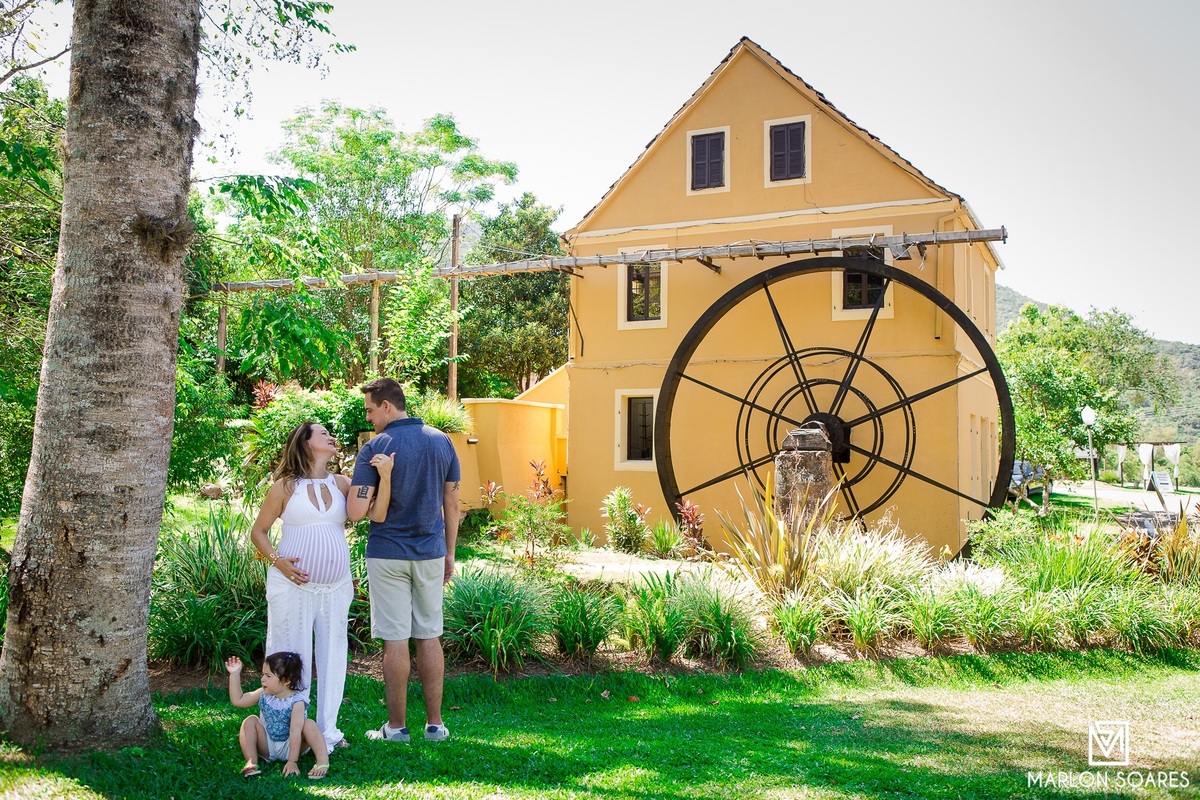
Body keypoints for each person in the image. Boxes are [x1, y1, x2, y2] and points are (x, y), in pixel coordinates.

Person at [348, 377, 460, 743]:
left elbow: (358, 510)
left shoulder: (374, 448)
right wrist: (449, 553)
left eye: (370, 410)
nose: (369, 418)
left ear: (386, 406)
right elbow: (452, 504)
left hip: (387, 554)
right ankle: (435, 726)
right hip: (430, 552)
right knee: (429, 635)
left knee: (395, 640)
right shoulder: (441, 440)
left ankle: (396, 729)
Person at [249, 421, 352, 752]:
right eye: (323, 433)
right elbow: (259, 532)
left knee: (334, 654)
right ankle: (280, 734)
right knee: (289, 655)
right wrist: (278, 560)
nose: (331, 437)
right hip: (292, 587)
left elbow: (371, 509)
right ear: (307, 443)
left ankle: (326, 731)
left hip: (335, 588)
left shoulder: (341, 483)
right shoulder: (285, 486)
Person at [225, 652, 330, 780]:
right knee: (250, 720)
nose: (262, 679)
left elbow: (295, 732)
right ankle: (251, 761)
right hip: (268, 745)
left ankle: (322, 761)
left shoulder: (296, 702)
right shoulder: (263, 694)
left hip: (290, 745)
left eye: (268, 676)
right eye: (263, 674)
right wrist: (234, 674)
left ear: (286, 681)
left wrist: (292, 761)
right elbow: (239, 700)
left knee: (309, 724)